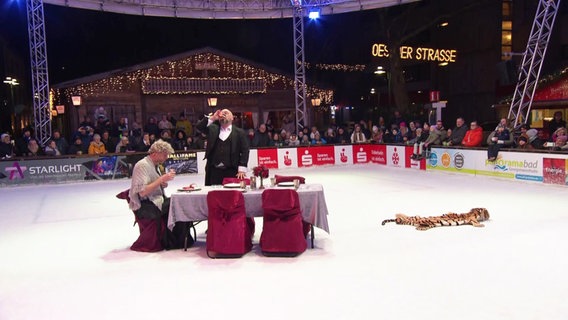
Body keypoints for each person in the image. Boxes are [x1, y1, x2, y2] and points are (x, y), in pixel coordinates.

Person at [128, 140, 179, 250]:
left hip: (155, 200)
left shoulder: (155, 165)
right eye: (165, 154)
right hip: (146, 205)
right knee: (178, 204)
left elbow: (153, 184)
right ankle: (176, 240)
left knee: (178, 201)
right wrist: (161, 179)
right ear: (155, 153)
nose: (167, 157)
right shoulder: (142, 165)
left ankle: (176, 239)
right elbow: (142, 191)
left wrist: (162, 183)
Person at [196, 108, 250, 186]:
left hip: (232, 170)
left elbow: (245, 151)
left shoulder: (239, 132)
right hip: (214, 171)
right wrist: (213, 118)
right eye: (222, 113)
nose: (224, 114)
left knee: (231, 195)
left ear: (232, 118)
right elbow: (199, 127)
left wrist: (242, 168)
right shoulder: (213, 129)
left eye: (226, 113)